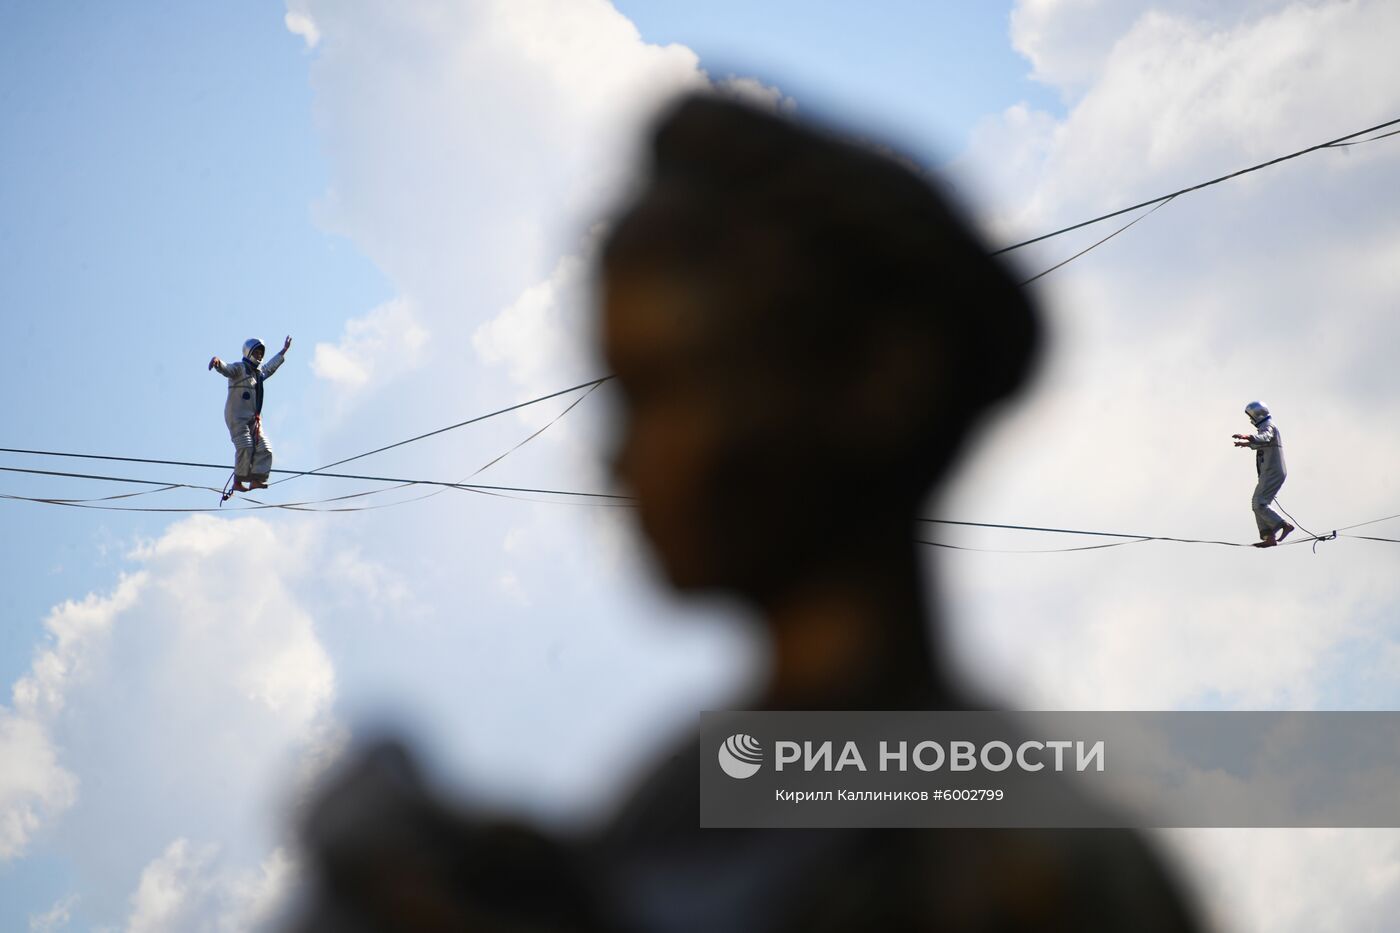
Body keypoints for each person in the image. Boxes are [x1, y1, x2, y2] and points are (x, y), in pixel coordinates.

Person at [281, 94, 1203, 931]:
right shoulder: (691, 792)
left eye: (664, 386)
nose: (618, 452)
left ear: (878, 379)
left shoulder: (1011, 861)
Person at [209, 336, 292, 493]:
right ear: (249, 352)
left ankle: (256, 479)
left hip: (252, 420)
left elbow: (269, 368)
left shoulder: (258, 375)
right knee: (246, 445)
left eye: (261, 354)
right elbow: (227, 369)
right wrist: (218, 362)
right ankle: (238, 482)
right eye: (257, 353)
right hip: (237, 417)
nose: (259, 356)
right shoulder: (240, 369)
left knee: (265, 448)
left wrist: (283, 351)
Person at [1232, 400, 1293, 548]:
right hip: (1270, 471)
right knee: (1257, 503)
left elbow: (1265, 438)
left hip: (1273, 471)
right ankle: (1269, 536)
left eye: (1251, 417)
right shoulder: (1266, 427)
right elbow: (1264, 443)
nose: (1251, 420)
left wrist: (1248, 437)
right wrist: (1246, 444)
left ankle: (1283, 525)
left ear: (1256, 415)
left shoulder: (1268, 427)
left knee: (1259, 503)